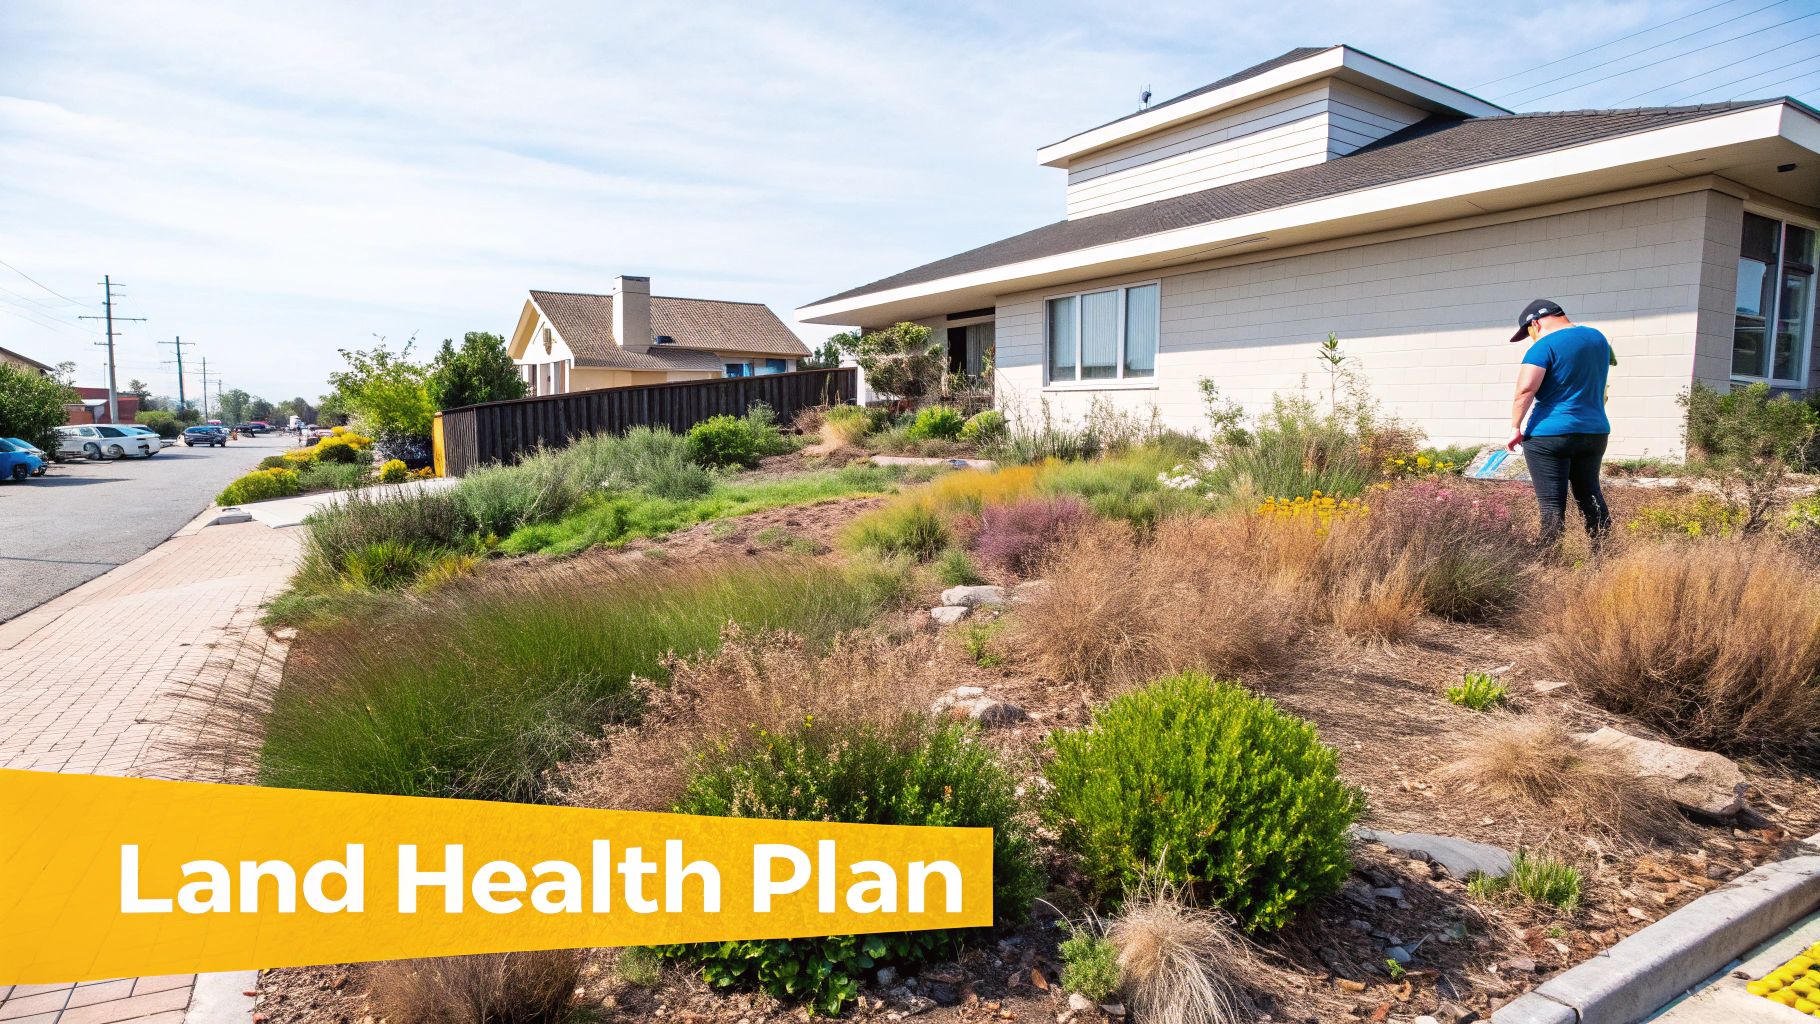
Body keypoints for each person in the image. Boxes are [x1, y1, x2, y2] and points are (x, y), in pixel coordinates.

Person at [1505, 299, 1613, 547]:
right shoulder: (1598, 339)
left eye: (1529, 332)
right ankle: (1605, 556)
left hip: (1549, 435)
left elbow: (1525, 389)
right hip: (1594, 433)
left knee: (1552, 504)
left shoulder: (1543, 347)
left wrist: (1515, 427)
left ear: (1536, 323)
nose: (1531, 337)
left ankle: (1547, 562)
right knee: (1590, 497)